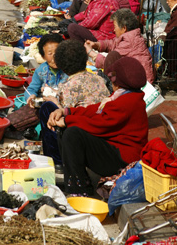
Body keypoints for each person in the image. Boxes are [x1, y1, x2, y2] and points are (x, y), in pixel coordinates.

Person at [48, 56, 149, 197]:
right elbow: (96, 109)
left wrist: (68, 120)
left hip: (123, 159)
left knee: (73, 134)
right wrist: (67, 111)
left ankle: (80, 188)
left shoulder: (128, 101)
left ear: (119, 82)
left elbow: (100, 123)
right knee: (67, 130)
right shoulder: (122, 95)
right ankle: (76, 179)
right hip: (115, 149)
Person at [38, 40, 111, 166]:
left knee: (47, 108)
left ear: (62, 64)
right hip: (102, 135)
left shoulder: (68, 86)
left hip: (82, 138)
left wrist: (56, 102)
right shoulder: (98, 78)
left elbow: (67, 114)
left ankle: (57, 161)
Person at [85, 8, 154, 83]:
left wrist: (90, 53)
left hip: (140, 84)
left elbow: (110, 63)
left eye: (115, 26)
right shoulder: (131, 36)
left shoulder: (130, 41)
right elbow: (113, 43)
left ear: (124, 28)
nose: (114, 30)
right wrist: (96, 45)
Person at [24, 33, 68, 106]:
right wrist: (31, 96)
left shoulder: (69, 69)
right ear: (43, 56)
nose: (54, 57)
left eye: (57, 52)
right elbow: (31, 89)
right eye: (50, 54)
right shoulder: (40, 70)